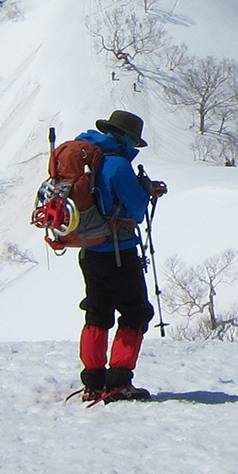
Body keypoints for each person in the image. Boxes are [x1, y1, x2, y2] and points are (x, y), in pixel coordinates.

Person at [73, 109, 167, 402]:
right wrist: (146, 190)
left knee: (97, 311)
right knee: (135, 311)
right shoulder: (117, 164)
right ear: (128, 139)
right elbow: (137, 209)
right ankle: (118, 382)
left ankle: (93, 382)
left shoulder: (90, 158)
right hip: (118, 250)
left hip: (90, 247)